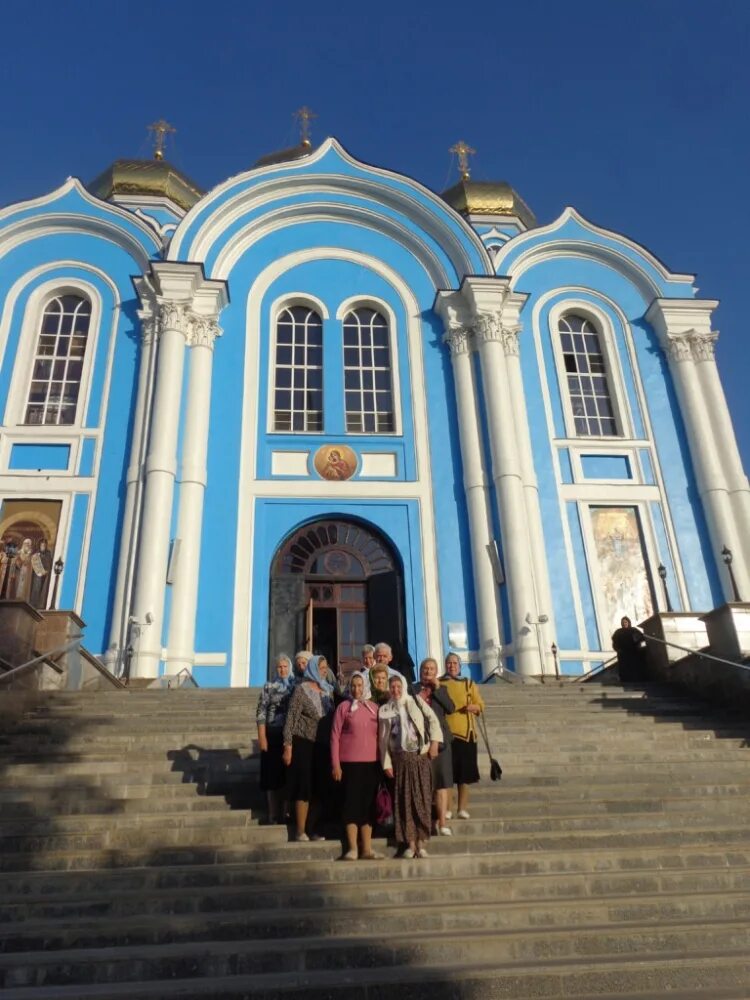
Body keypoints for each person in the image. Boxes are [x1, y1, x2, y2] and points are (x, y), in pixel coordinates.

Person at [378, 673, 441, 859]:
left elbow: (434, 720)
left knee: (420, 800)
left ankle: (421, 843)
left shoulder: (415, 702)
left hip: (419, 758)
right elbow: (383, 739)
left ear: (404, 687)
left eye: (398, 686)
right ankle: (409, 843)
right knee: (404, 802)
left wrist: (434, 743)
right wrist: (386, 763)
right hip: (400, 761)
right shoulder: (386, 710)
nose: (396, 690)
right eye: (392, 687)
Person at [330, 673, 383, 860]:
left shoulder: (375, 708)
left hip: (371, 765)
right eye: (353, 685)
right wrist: (335, 764)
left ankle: (367, 848)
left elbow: (382, 738)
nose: (356, 689)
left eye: (360, 685)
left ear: (366, 686)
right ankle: (352, 848)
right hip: (349, 765)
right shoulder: (343, 708)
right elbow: (335, 737)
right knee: (351, 805)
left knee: (368, 807)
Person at [282, 654, 335, 841]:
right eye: (321, 668)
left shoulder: (327, 691)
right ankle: (300, 830)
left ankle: (312, 828)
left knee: (320, 788)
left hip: (322, 745)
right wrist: (287, 746)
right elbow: (291, 719)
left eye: (325, 668)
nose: (324, 671)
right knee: (303, 787)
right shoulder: (301, 690)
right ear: (313, 668)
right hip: (303, 744)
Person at [412, 657, 455, 836]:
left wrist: (437, 689)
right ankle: (426, 822)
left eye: (431, 669)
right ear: (420, 671)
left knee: (441, 784)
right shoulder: (412, 689)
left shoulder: (441, 689)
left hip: (441, 743)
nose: (428, 671)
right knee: (423, 785)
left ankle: (443, 823)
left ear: (436, 672)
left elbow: (450, 708)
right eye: (425, 668)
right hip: (419, 743)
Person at [442, 653, 485, 821]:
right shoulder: (440, 684)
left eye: (455, 663)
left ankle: (462, 808)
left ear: (459, 666)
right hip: (446, 734)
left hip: (466, 734)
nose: (452, 666)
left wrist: (475, 707)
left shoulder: (468, 683)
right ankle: (447, 809)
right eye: (449, 663)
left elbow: (481, 704)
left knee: (464, 776)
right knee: (447, 776)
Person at [255, 654, 294, 823]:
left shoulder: (295, 685)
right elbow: (261, 711)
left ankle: (286, 812)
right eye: (280, 667)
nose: (283, 670)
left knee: (287, 775)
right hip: (272, 733)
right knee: (271, 776)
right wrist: (262, 736)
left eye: (285, 666)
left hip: (289, 736)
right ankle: (272, 813)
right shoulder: (268, 686)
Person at [612, 616, 646, 682]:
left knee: (634, 667)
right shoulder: (618, 632)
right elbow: (614, 643)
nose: (624, 623)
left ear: (628, 622)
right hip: (623, 654)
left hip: (633, 652)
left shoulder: (633, 630)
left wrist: (639, 646)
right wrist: (618, 650)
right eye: (623, 622)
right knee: (624, 669)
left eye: (625, 622)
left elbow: (641, 638)